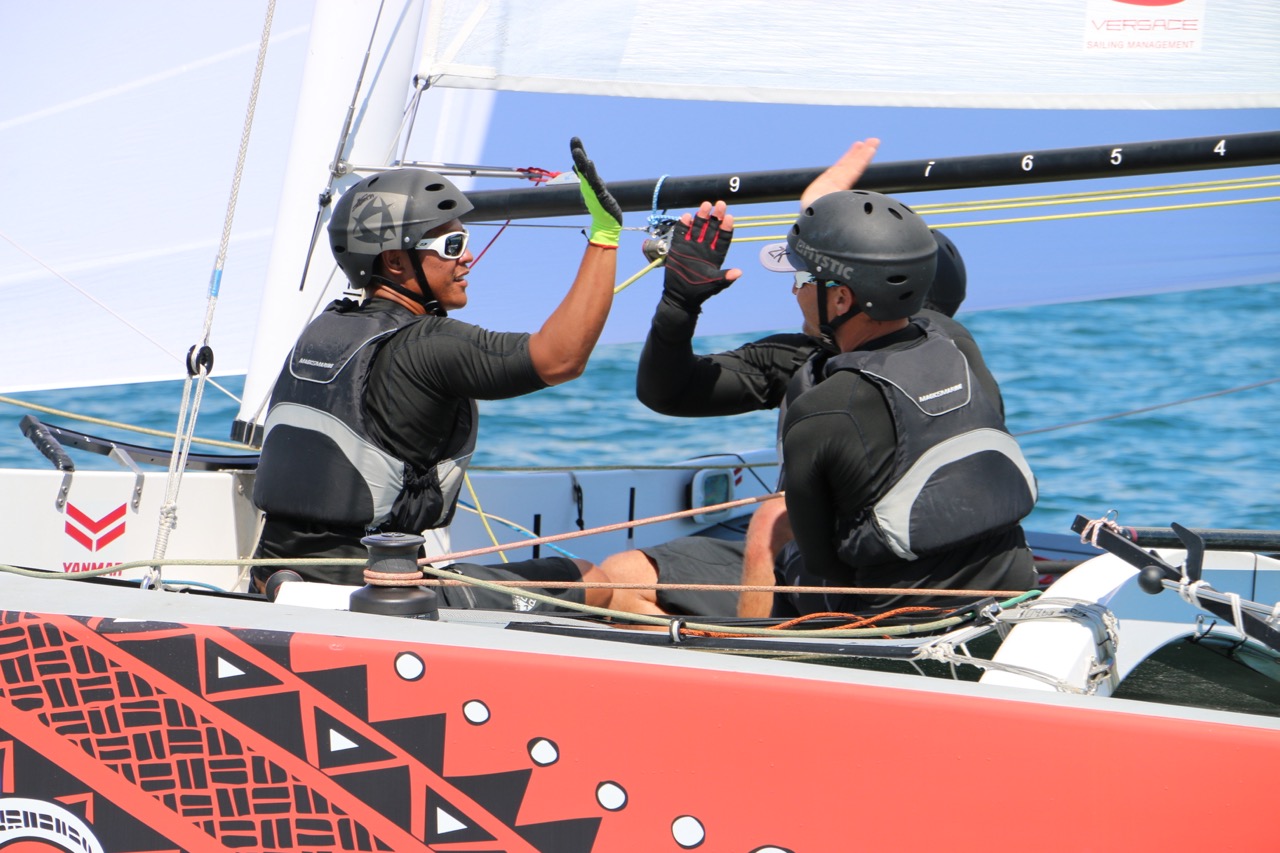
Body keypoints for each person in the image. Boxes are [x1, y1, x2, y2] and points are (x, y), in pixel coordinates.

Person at [601, 138, 1038, 619]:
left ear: (845, 298)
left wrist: (681, 301)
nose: (794, 289)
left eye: (803, 278)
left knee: (767, 519)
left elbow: (822, 563)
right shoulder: (953, 346)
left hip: (856, 589)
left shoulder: (825, 397)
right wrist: (680, 309)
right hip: (952, 573)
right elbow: (669, 391)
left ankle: (755, 664)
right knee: (626, 575)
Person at [251, 138, 622, 612]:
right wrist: (606, 237)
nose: (467, 258)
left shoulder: (325, 330)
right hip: (375, 595)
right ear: (395, 261)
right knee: (599, 581)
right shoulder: (427, 343)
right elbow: (559, 359)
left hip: (275, 581)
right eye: (452, 245)